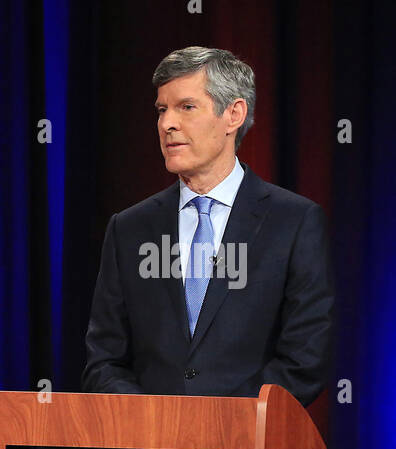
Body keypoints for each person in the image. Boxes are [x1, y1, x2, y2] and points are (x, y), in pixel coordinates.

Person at [82, 47, 332, 407]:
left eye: (186, 107)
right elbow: (104, 360)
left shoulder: (294, 222)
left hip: (249, 447)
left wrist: (219, 425)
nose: (168, 123)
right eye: (161, 110)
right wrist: (155, 423)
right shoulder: (129, 228)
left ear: (233, 114)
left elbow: (304, 359)